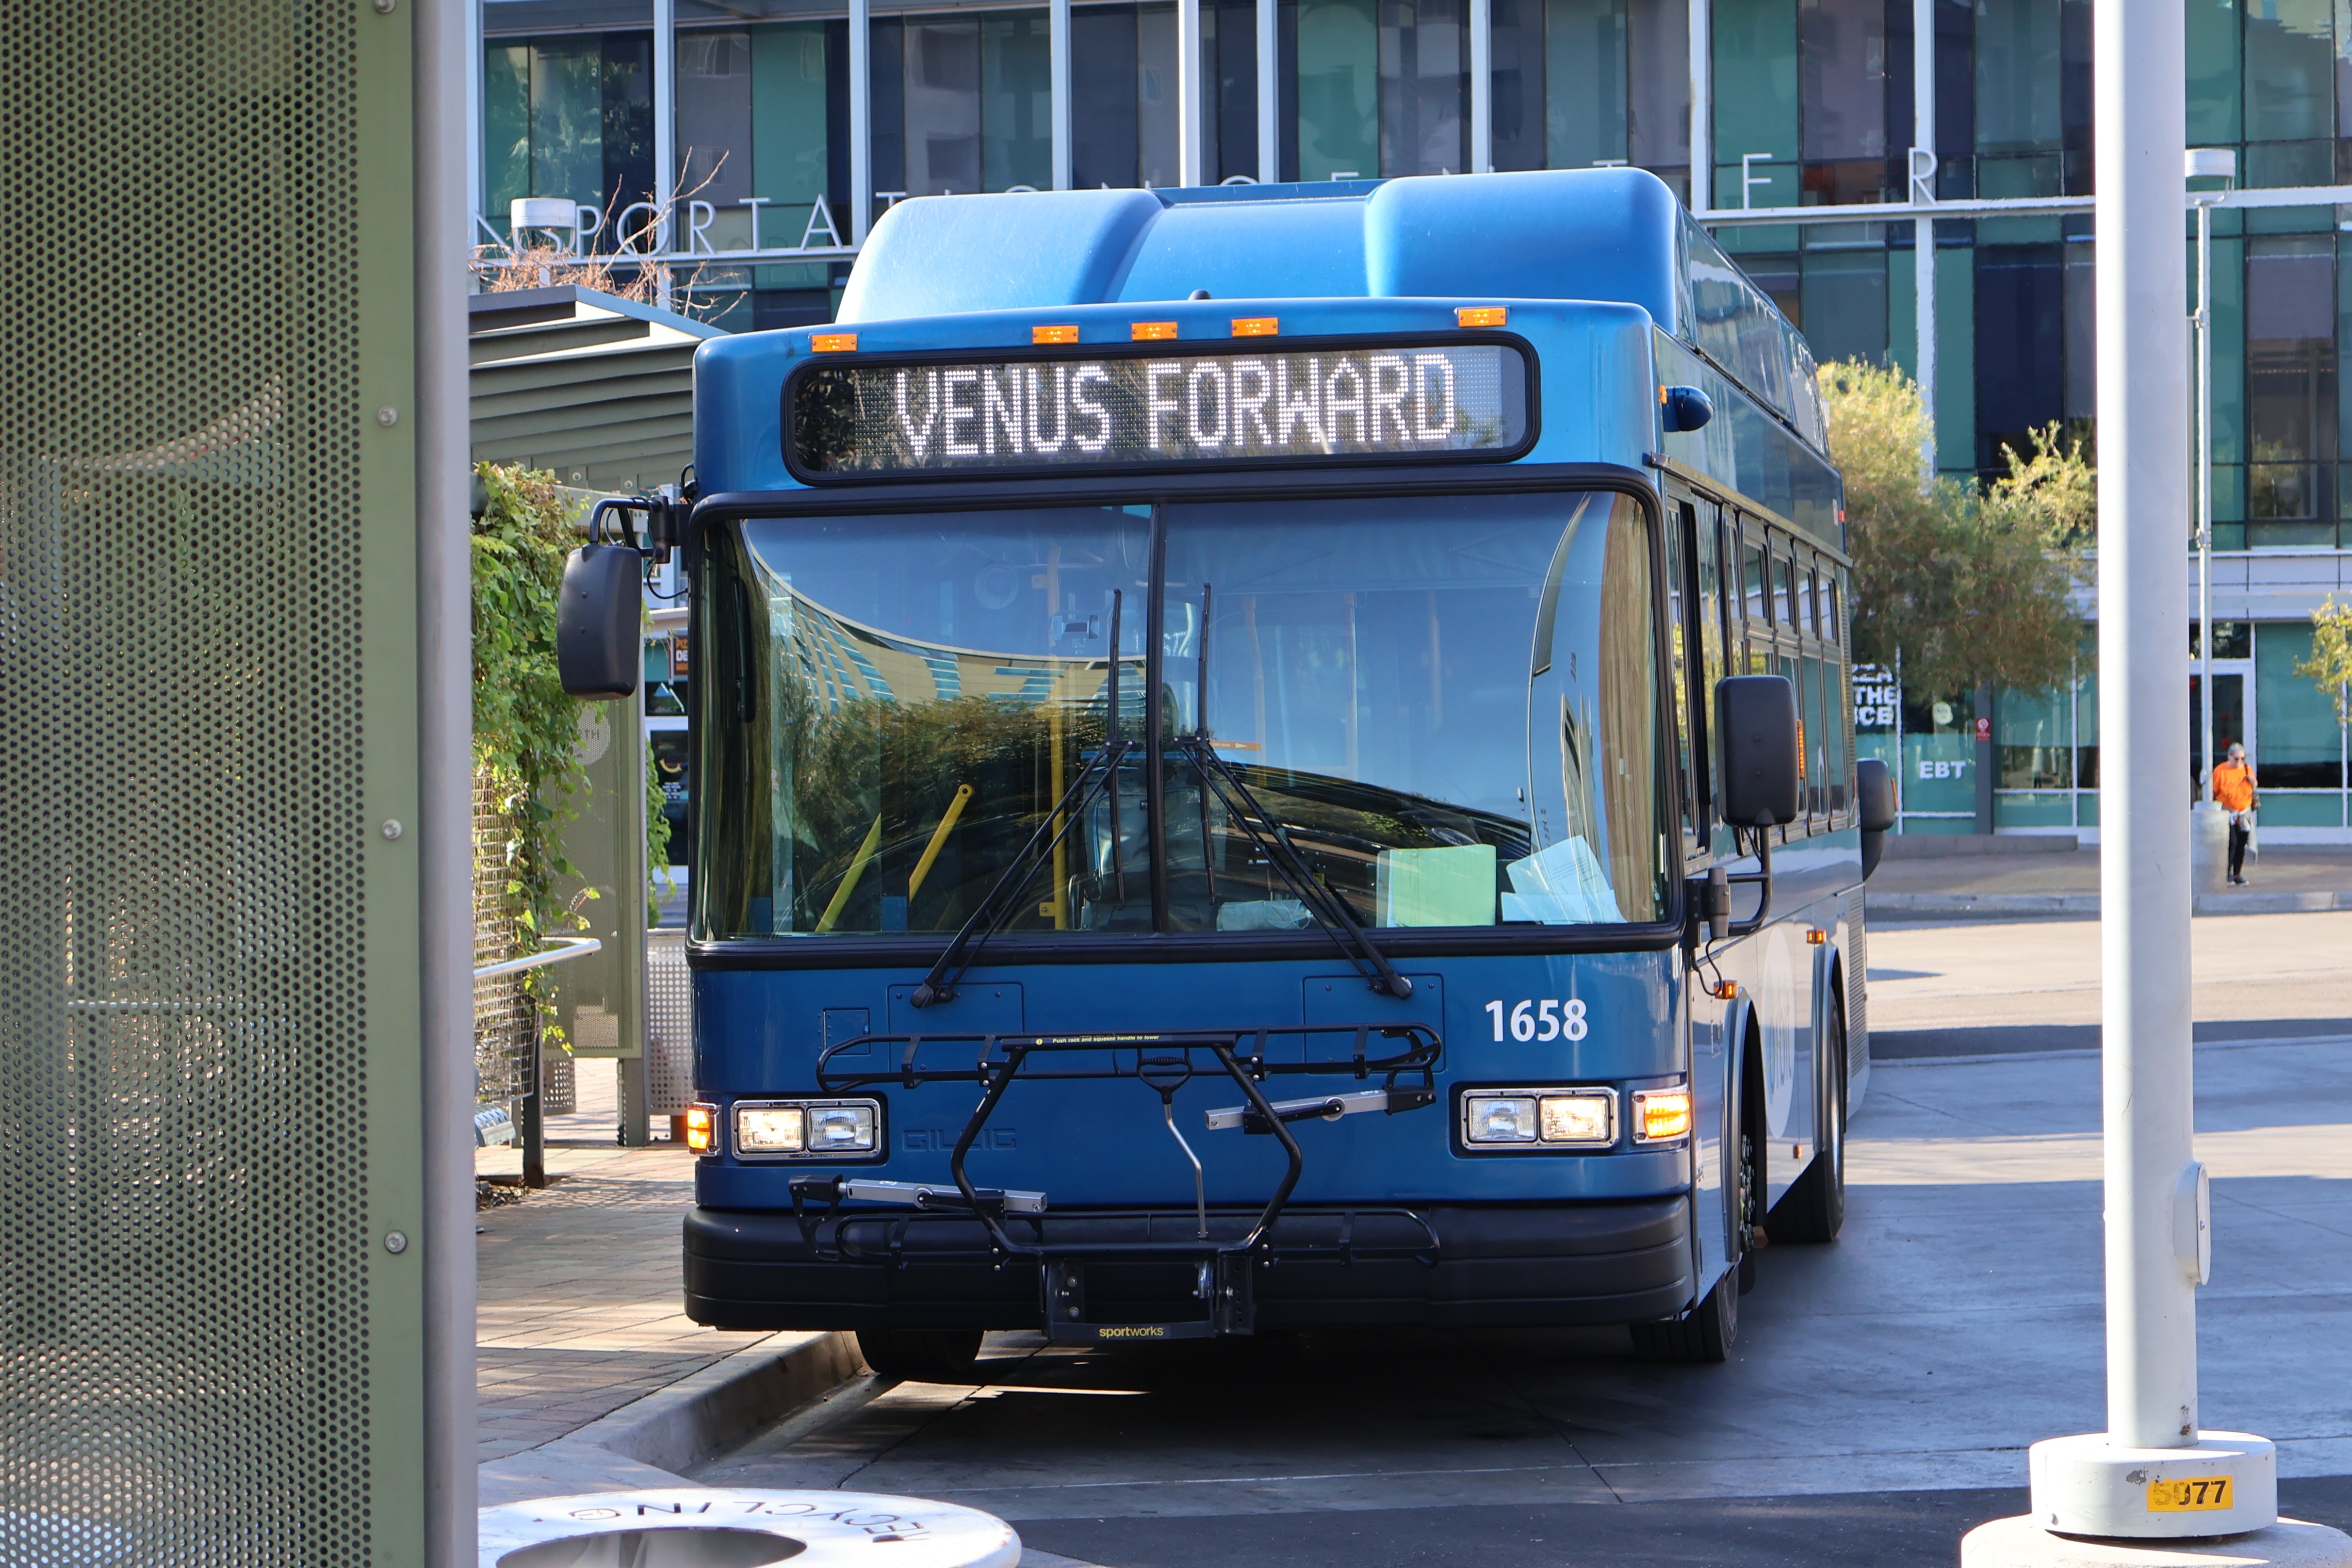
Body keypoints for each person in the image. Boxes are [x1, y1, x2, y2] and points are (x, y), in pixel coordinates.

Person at [2212, 741, 2257, 885]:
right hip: (2228, 812)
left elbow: (2253, 787)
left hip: (2244, 812)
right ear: (2229, 757)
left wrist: (2253, 782)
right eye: (2236, 759)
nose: (2239, 762)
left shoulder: (2247, 769)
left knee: (2241, 843)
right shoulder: (2220, 771)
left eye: (2242, 759)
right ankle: (2227, 873)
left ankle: (2238, 873)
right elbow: (2215, 792)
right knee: (2232, 842)